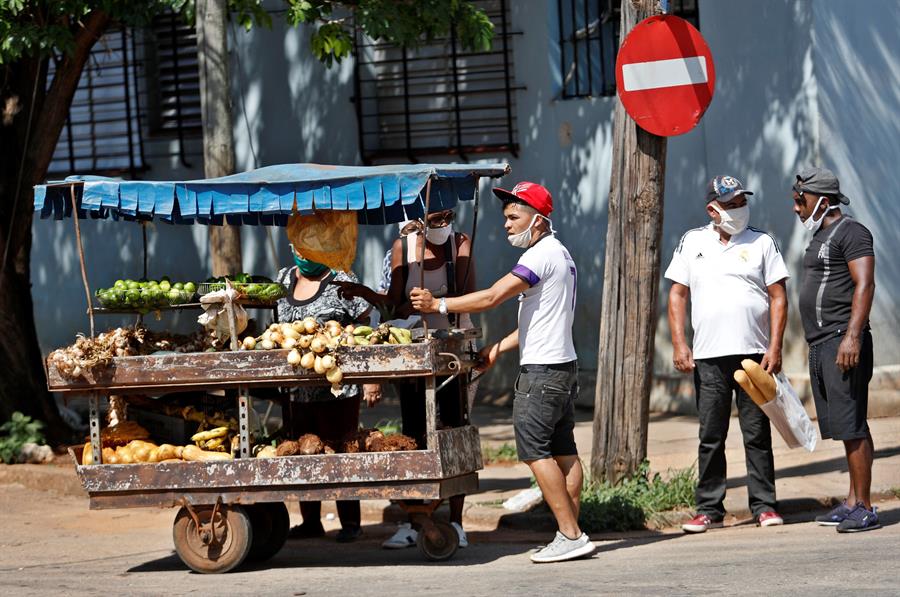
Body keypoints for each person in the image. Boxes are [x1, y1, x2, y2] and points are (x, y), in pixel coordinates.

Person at [410, 182, 595, 564]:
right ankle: (571, 532)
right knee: (564, 453)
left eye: (514, 217)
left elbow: (493, 296)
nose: (507, 225)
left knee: (535, 452)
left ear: (538, 221)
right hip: (562, 367)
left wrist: (438, 304)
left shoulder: (540, 256)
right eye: (506, 217)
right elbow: (537, 322)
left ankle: (570, 534)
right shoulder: (560, 254)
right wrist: (497, 348)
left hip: (542, 373)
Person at [336, 210, 476, 549]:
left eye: (444, 218)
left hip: (452, 353)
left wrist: (436, 304)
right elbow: (394, 304)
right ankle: (415, 520)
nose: (438, 225)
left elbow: (469, 296)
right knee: (413, 433)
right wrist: (365, 293)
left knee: (454, 431)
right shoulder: (404, 246)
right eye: (431, 219)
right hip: (414, 354)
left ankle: (456, 522)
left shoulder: (459, 244)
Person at [665, 175, 789, 534]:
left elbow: (778, 296)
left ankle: (764, 506)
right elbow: (677, 295)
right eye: (731, 204)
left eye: (741, 203)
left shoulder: (762, 241)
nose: (739, 210)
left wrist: (775, 346)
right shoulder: (692, 241)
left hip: (754, 356)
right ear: (712, 209)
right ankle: (709, 509)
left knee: (756, 433)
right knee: (711, 434)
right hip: (709, 356)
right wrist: (679, 343)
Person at [792, 167, 879, 533]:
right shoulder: (821, 235)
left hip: (843, 341)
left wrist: (852, 336)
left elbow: (865, 284)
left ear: (822, 201)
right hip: (822, 343)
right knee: (846, 425)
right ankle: (852, 501)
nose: (796, 207)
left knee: (853, 425)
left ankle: (866, 507)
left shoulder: (852, 232)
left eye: (801, 200)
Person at [276, 244, 375, 543]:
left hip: (337, 389)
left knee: (342, 450)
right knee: (303, 451)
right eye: (298, 248)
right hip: (296, 389)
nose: (304, 255)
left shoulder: (342, 277)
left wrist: (370, 378)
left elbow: (364, 325)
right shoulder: (283, 279)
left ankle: (350, 521)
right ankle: (310, 521)